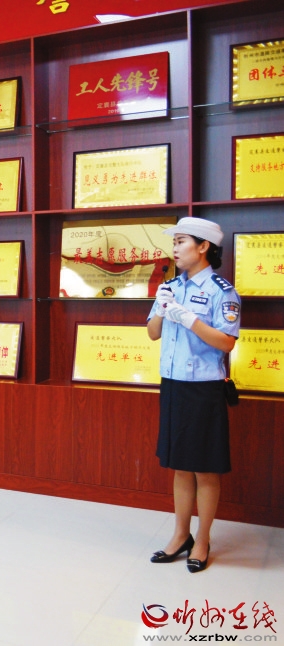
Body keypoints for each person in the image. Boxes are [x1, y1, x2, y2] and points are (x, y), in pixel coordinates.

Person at [147, 217, 240, 574]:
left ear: (203, 247)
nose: (175, 248)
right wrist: (161, 308)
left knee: (205, 468)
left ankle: (202, 539)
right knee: (180, 465)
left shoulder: (221, 291)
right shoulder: (170, 286)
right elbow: (153, 333)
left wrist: (190, 320)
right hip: (172, 384)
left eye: (181, 241)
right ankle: (180, 535)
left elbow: (227, 342)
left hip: (203, 388)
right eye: (174, 242)